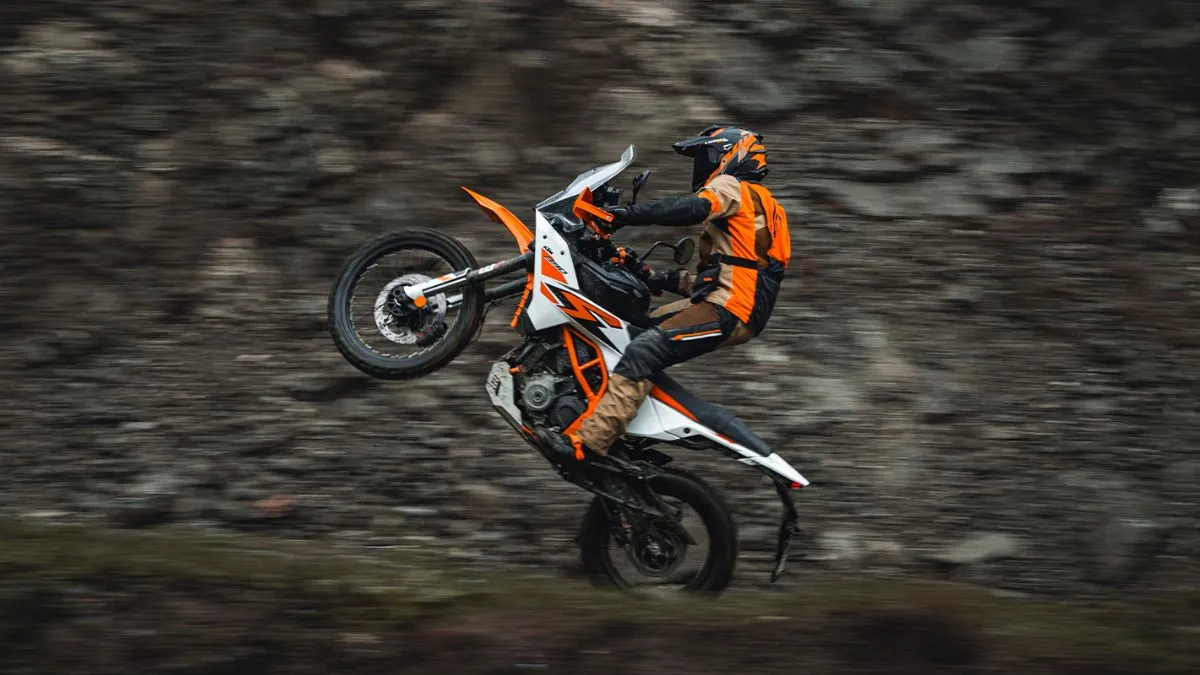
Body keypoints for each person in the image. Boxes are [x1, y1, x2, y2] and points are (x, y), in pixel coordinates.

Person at [539, 125, 792, 464]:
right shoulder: (767, 207)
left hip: (728, 309)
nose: (701, 166)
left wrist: (626, 216)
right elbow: (735, 276)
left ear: (729, 155)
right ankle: (612, 415)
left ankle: (590, 443)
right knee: (631, 330)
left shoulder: (733, 187)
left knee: (644, 348)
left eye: (706, 157)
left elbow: (692, 208)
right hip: (734, 305)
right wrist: (658, 278)